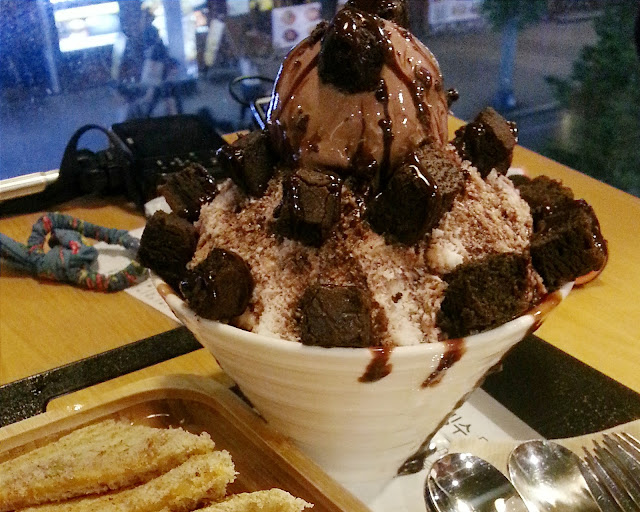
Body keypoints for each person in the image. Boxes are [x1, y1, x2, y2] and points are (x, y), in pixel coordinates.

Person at [112, 3, 179, 120]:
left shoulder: (153, 40)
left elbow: (156, 79)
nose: (131, 23)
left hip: (156, 109)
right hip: (137, 108)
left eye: (135, 17)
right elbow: (117, 78)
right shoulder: (123, 44)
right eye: (127, 18)